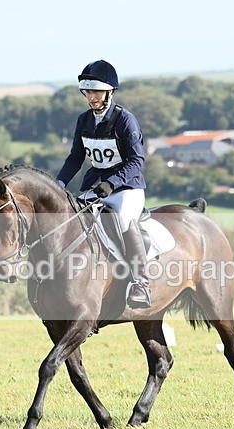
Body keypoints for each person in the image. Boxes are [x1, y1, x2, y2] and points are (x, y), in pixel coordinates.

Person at [56, 59, 150, 309]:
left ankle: (140, 282)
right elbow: (75, 158)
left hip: (126, 188)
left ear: (109, 91)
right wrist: (59, 183)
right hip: (95, 187)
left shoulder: (125, 120)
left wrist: (111, 183)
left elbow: (136, 161)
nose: (91, 97)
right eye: (87, 92)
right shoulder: (84, 120)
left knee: (122, 220)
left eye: (96, 91)